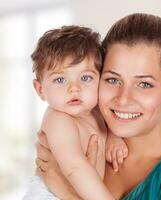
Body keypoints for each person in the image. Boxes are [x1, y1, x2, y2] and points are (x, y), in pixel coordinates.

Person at [35, 13, 161, 199]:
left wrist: (71, 196)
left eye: (144, 84)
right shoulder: (83, 139)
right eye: (112, 80)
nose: (123, 99)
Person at [23, 26, 128, 200]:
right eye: (60, 79)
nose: (74, 88)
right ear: (40, 89)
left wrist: (113, 137)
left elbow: (107, 127)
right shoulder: (58, 119)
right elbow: (74, 168)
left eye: (85, 78)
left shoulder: (97, 111)